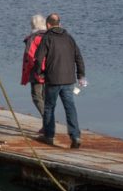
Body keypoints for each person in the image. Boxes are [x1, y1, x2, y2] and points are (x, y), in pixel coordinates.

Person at [33, 13, 87, 148]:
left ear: (48, 25)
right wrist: (81, 75)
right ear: (60, 24)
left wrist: (38, 73)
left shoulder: (47, 38)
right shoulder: (69, 38)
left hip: (52, 79)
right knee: (70, 107)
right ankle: (75, 136)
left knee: (49, 107)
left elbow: (39, 58)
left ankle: (49, 136)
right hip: (69, 80)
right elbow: (79, 57)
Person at [20, 14, 48, 128]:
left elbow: (29, 58)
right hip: (50, 71)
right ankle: (47, 122)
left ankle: (47, 122)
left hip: (37, 72)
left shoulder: (33, 38)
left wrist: (25, 77)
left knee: (37, 97)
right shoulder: (49, 36)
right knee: (46, 98)